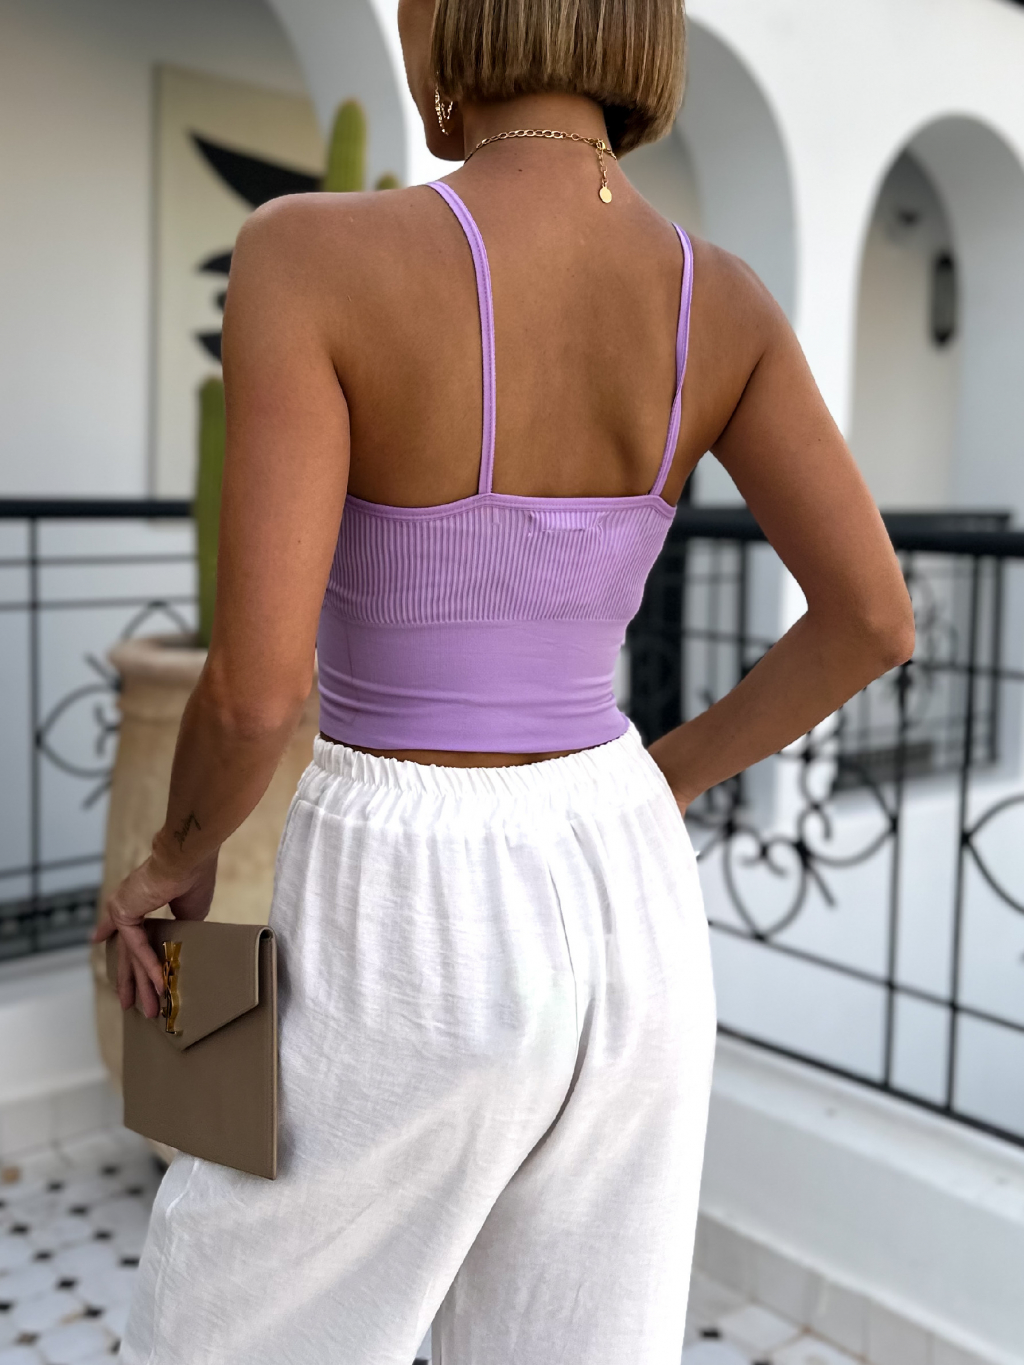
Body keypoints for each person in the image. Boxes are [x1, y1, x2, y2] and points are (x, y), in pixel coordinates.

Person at [94, 0, 915, 1360]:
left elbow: (252, 694)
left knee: (224, 1323)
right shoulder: (722, 299)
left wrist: (176, 856)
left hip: (405, 893)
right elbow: (873, 619)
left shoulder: (310, 252)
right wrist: (655, 783)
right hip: (628, 893)